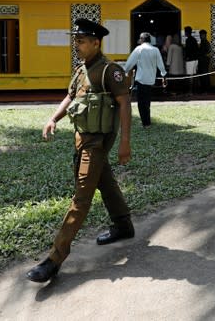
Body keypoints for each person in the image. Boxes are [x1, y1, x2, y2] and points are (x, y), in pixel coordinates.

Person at [27, 18, 135, 283]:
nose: (77, 45)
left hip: (97, 143)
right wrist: (53, 118)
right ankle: (123, 226)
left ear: (96, 43)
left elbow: (124, 104)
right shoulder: (80, 70)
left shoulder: (110, 71)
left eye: (82, 41)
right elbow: (70, 97)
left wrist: (125, 142)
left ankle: (54, 258)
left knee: (81, 198)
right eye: (75, 40)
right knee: (104, 181)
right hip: (82, 139)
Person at [124, 32, 167, 127]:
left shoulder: (139, 49)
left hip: (141, 79)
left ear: (142, 40)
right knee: (147, 102)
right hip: (151, 79)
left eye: (140, 39)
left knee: (141, 102)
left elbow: (129, 63)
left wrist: (124, 71)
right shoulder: (155, 50)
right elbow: (161, 64)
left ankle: (145, 122)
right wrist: (164, 76)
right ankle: (147, 121)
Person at [183, 26, 199, 95]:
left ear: (187, 32)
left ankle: (190, 91)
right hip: (195, 59)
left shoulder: (188, 40)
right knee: (194, 76)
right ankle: (195, 91)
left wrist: (186, 57)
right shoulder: (194, 39)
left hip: (190, 60)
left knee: (190, 76)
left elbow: (188, 51)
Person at [198, 29, 212, 93]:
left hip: (204, 61)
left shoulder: (205, 42)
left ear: (204, 35)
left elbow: (208, 51)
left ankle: (205, 90)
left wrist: (203, 55)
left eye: (201, 35)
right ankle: (205, 89)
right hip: (204, 60)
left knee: (204, 76)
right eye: (200, 35)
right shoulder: (204, 42)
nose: (200, 36)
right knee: (204, 75)